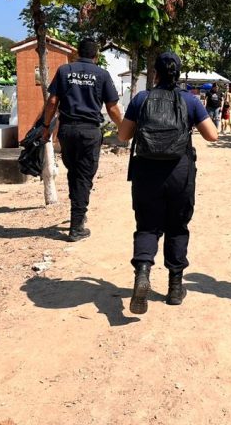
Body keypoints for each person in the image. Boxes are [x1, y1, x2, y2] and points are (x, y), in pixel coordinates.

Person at [118, 52, 218, 315]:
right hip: (179, 172)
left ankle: (142, 273)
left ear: (156, 72)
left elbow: (123, 135)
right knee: (177, 227)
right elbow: (213, 136)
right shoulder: (190, 100)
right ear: (178, 73)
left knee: (147, 226)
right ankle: (175, 288)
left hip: (146, 173)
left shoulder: (141, 99)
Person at [38, 38, 123, 241]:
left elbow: (52, 101)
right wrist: (124, 129)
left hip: (67, 130)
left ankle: (78, 214)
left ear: (77, 53)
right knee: (84, 176)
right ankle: (76, 227)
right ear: (96, 55)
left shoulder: (64, 71)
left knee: (75, 173)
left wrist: (46, 126)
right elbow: (112, 107)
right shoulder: (102, 74)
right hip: (89, 132)